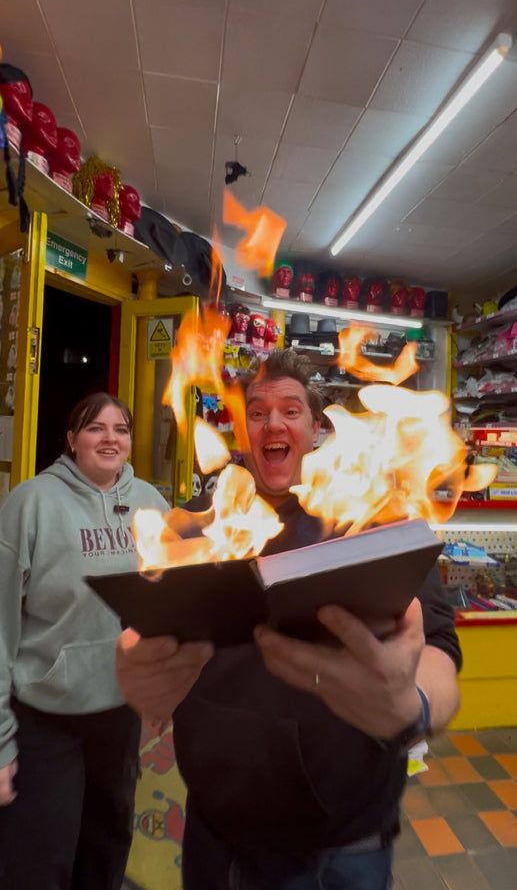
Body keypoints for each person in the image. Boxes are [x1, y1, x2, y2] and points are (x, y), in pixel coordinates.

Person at [116, 350, 462, 890]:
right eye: (257, 411)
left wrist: (413, 706)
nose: (272, 422)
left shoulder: (372, 518)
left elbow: (440, 650)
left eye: (290, 410)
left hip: (341, 849)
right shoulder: (198, 525)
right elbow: (149, 639)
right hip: (216, 838)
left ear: (317, 428)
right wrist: (136, 672)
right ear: (242, 427)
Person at [0, 392, 170, 890]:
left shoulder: (152, 504)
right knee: (37, 860)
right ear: (70, 440)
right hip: (45, 719)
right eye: (96, 428)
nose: (110, 438)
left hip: (119, 715)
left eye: (121, 429)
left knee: (105, 850)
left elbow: (173, 608)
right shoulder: (32, 502)